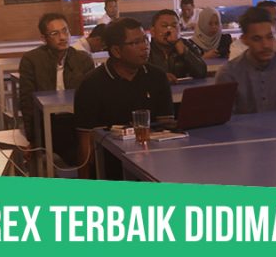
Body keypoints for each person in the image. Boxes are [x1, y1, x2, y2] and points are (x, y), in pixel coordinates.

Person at [19, 13, 95, 163]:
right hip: (47, 123)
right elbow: (27, 102)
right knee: (73, 151)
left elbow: (91, 98)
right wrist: (32, 138)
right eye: (55, 33)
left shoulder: (83, 59)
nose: (62, 37)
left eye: (65, 31)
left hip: (77, 121)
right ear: (44, 38)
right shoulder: (31, 60)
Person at [73, 18, 173, 128]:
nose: (145, 47)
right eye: (136, 43)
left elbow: (167, 127)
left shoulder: (157, 77)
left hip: (152, 139)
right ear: (116, 51)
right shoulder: (91, 84)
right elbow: (86, 135)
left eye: (145, 40)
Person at [216, 7, 276, 114]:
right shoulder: (228, 74)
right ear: (244, 40)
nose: (265, 45)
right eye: (257, 39)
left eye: (270, 37)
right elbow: (227, 121)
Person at [148, 9, 207, 82]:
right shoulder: (146, 50)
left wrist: (184, 52)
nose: (169, 30)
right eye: (164, 26)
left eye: (174, 26)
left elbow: (202, 72)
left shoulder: (187, 44)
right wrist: (160, 77)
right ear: (152, 31)